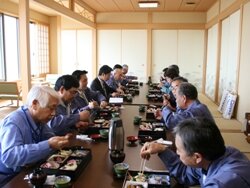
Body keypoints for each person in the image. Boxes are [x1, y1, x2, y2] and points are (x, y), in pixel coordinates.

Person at [0, 86, 85, 186]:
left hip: (32, 171)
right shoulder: (14, 122)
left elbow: (49, 137)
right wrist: (49, 145)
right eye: (51, 108)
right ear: (35, 104)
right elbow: (9, 156)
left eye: (55, 109)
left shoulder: (39, 119)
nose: (53, 114)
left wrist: (59, 141)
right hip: (11, 178)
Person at [140, 117, 250, 188]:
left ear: (197, 157)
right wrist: (162, 149)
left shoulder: (221, 184)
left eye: (178, 150)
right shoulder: (214, 155)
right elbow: (184, 173)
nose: (177, 152)